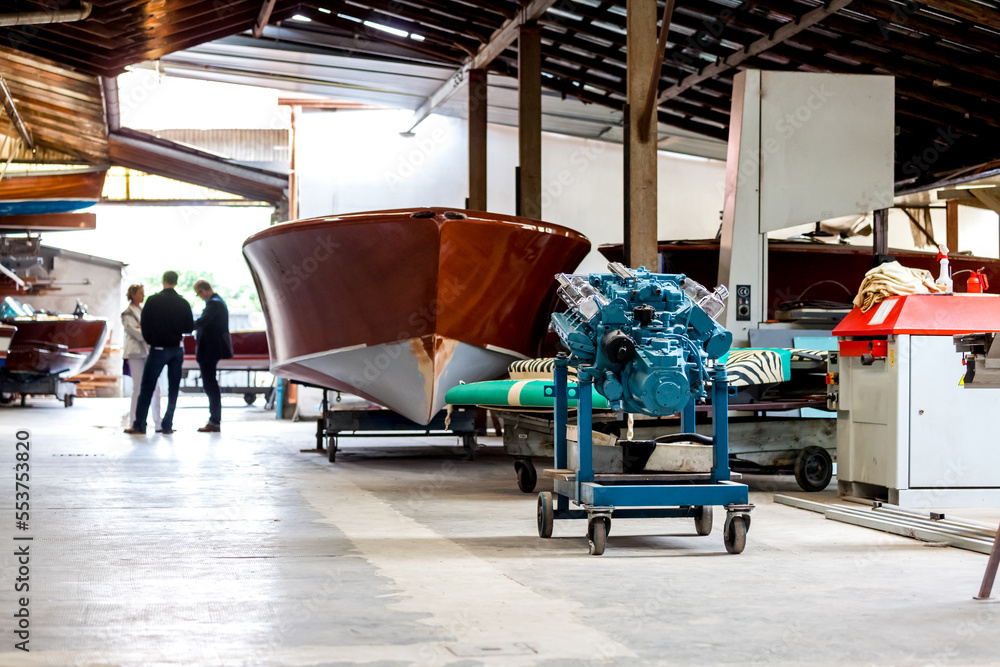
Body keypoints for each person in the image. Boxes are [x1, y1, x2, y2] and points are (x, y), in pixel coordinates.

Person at [129, 270, 194, 435]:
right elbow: (189, 328)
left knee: (147, 387)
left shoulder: (153, 301)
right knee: (173, 389)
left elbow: (145, 325)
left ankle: (140, 424)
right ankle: (167, 424)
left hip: (158, 349)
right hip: (177, 349)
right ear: (176, 282)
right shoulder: (183, 302)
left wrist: (152, 340)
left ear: (163, 281)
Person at [122, 285, 164, 434]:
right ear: (132, 294)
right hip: (135, 353)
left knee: (155, 387)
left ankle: (158, 422)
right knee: (138, 387)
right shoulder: (127, 313)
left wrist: (143, 328)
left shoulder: (142, 310)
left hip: (147, 351)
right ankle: (135, 422)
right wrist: (145, 329)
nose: (143, 295)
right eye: (140, 293)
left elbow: (145, 329)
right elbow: (137, 333)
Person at [193, 279, 233, 432]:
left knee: (210, 385)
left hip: (209, 350)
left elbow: (203, 322)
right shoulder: (219, 302)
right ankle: (214, 420)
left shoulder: (214, 303)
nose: (200, 297)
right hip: (213, 350)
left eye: (199, 294)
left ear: (204, 290)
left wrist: (185, 325)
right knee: (211, 384)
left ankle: (214, 420)